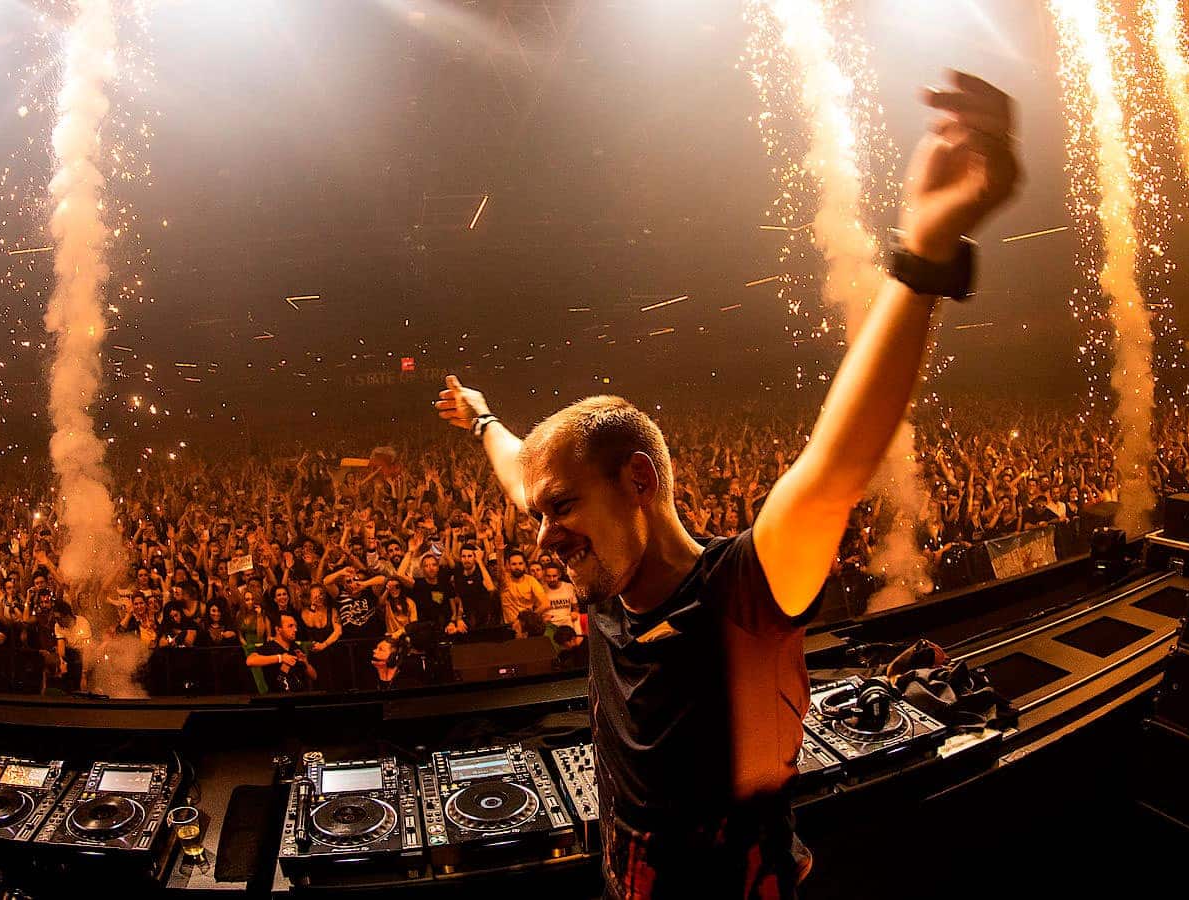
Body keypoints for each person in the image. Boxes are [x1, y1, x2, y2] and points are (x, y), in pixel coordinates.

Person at [432, 70, 1019, 899]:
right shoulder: (608, 581)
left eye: (561, 508)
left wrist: (924, 259)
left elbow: (834, 468)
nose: (542, 536)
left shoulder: (741, 593)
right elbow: (520, 466)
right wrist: (486, 422)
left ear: (639, 481)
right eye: (539, 514)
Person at [245, 612, 316, 693]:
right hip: (278, 696)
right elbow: (250, 661)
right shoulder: (269, 647)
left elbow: (314, 676)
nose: (295, 630)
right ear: (278, 629)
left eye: (295, 626)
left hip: (301, 694)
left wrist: (306, 663)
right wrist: (280, 658)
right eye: (290, 626)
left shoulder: (296, 647)